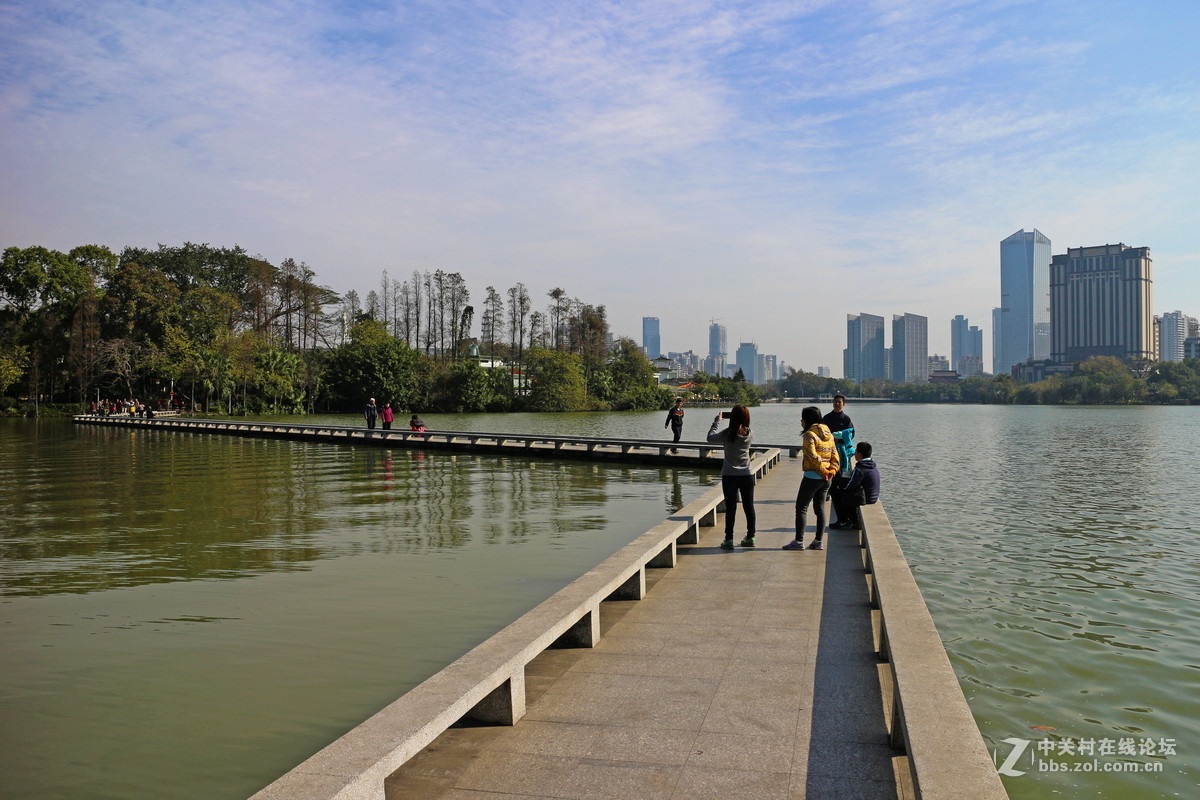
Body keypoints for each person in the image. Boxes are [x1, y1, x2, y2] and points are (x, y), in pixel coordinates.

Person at [783, 405, 839, 551]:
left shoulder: (809, 435)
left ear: (808, 419)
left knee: (801, 507)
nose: (801, 421)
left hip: (812, 477)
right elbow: (835, 456)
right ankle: (818, 541)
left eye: (802, 418)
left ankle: (799, 541)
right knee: (820, 508)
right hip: (826, 479)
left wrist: (823, 471)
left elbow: (812, 456)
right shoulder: (830, 435)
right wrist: (831, 471)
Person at [706, 404, 756, 550]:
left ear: (732, 418)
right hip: (747, 474)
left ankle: (729, 540)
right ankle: (751, 537)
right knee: (749, 507)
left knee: (731, 508)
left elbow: (710, 438)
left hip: (729, 475)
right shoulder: (751, 433)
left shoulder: (727, 433)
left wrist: (716, 421)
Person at [830, 442, 881, 530]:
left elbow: (850, 485)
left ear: (860, 454)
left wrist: (840, 485)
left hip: (865, 498)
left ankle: (844, 521)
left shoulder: (860, 469)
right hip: (872, 497)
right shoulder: (871, 466)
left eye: (856, 451)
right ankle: (849, 520)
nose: (854, 454)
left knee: (836, 493)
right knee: (844, 491)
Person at [822, 394, 855, 523]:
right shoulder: (826, 418)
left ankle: (837, 493)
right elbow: (822, 433)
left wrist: (839, 437)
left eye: (839, 402)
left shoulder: (846, 419)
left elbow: (851, 434)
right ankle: (828, 491)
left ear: (843, 404)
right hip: (828, 451)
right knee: (828, 473)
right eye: (835, 402)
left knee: (841, 475)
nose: (837, 404)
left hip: (841, 452)